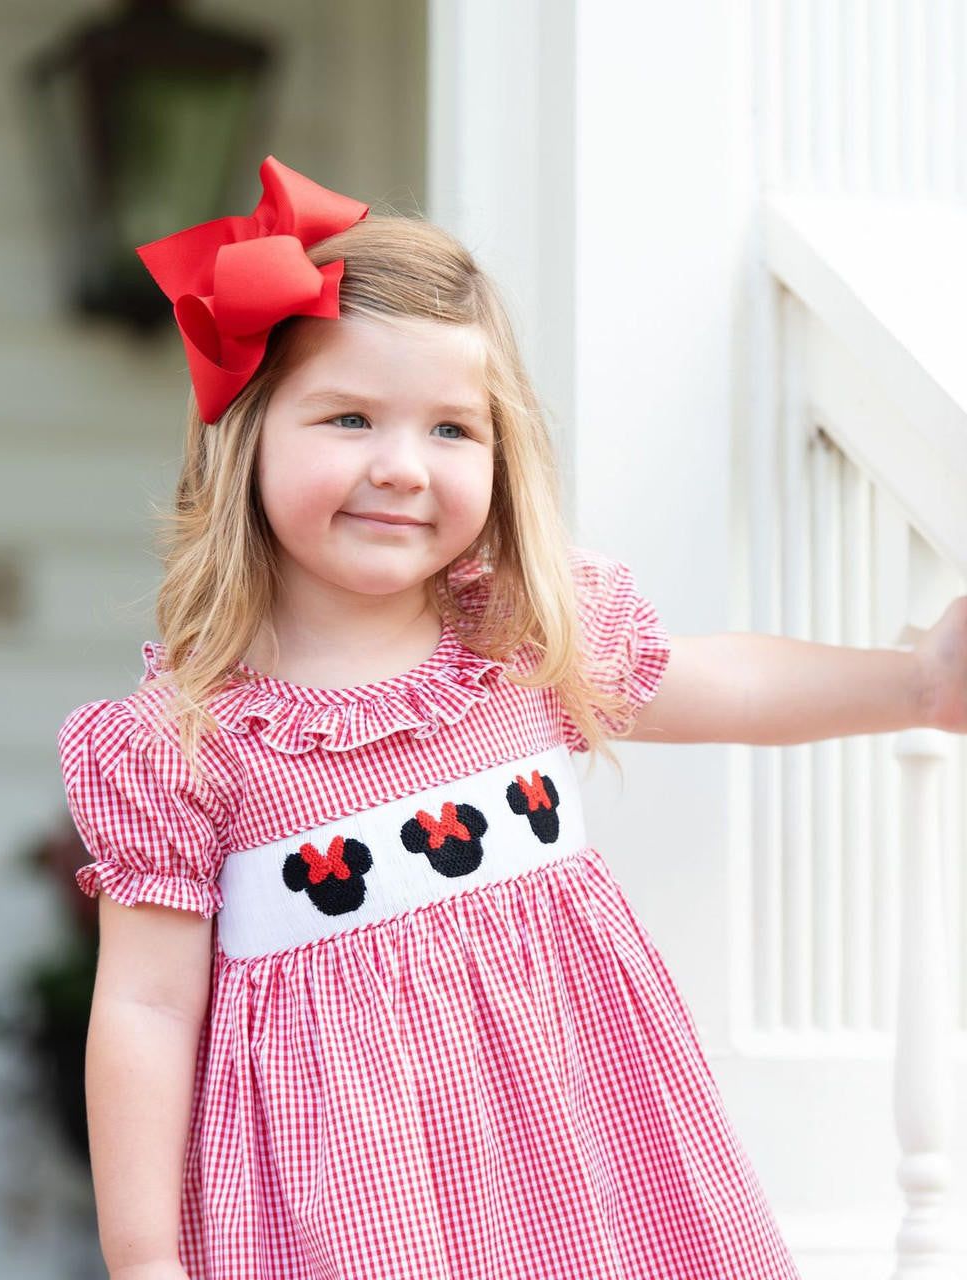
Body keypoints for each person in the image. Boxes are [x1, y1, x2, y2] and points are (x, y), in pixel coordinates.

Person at [56, 157, 967, 1280]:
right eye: (348, 416)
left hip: (579, 1146)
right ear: (246, 437)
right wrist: (145, 1258)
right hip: (345, 1190)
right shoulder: (183, 742)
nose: (401, 466)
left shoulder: (518, 635)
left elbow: (715, 682)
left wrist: (917, 682)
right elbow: (144, 1006)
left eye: (452, 429)